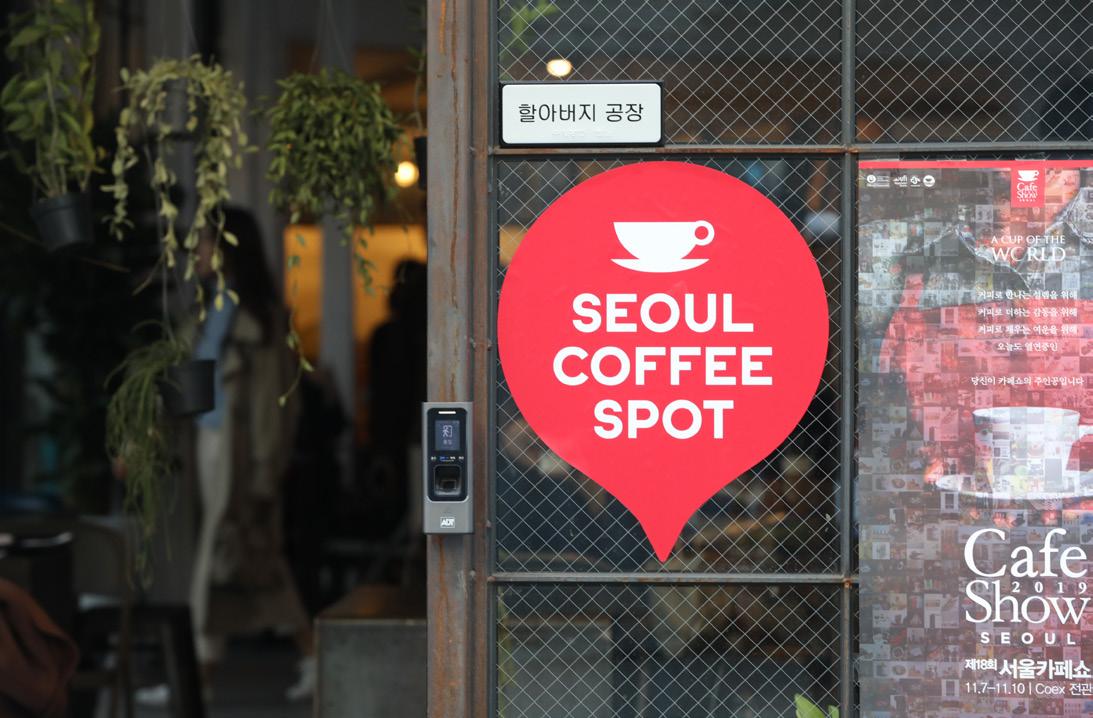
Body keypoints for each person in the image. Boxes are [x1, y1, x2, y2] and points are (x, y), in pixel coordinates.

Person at [137, 207, 314, 705]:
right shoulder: (208, 310)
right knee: (249, 562)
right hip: (208, 444)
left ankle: (196, 681)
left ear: (228, 248)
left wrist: (264, 472)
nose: (196, 252)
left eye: (205, 242)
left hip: (238, 454)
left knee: (222, 560)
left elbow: (272, 407)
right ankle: (310, 656)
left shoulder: (257, 320)